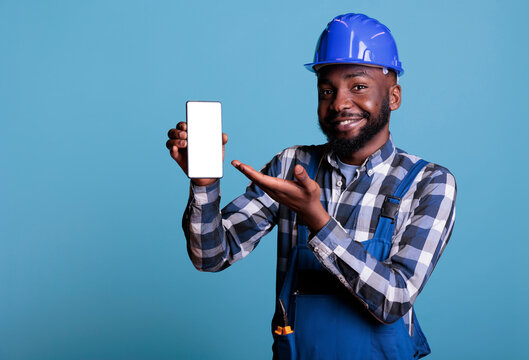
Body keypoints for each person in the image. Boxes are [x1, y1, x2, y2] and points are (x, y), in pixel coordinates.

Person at [166, 13, 456, 360]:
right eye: (326, 90)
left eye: (358, 86)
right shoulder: (292, 165)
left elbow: (393, 300)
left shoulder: (429, 183)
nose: (339, 103)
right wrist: (204, 184)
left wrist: (316, 219)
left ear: (393, 96)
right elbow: (210, 256)